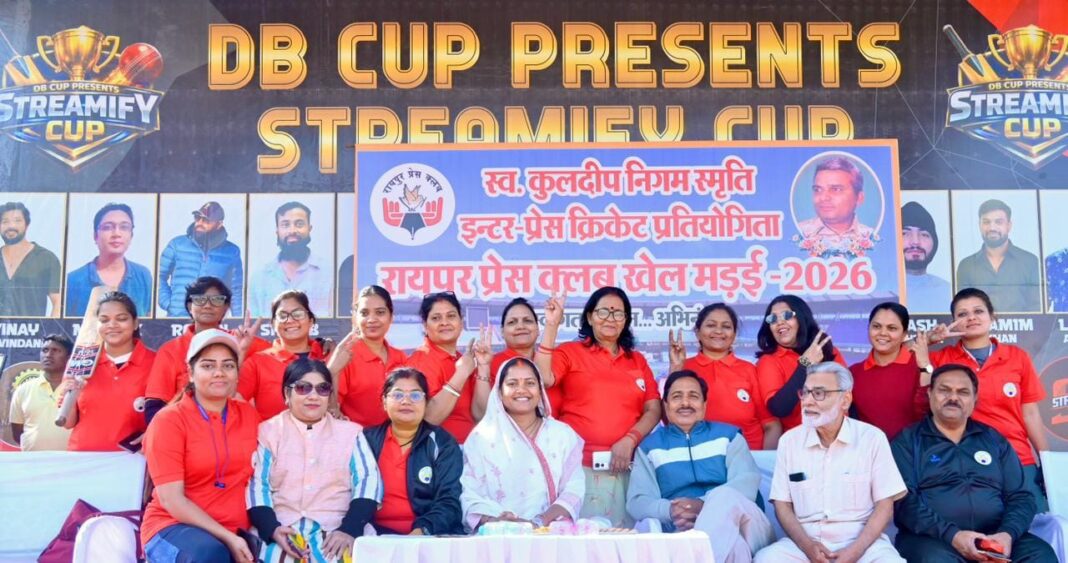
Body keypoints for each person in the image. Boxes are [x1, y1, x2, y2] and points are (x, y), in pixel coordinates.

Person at [891, 364, 1057, 563]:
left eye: (963, 392)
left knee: (1041, 554)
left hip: (994, 536)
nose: (953, 398)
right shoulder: (907, 441)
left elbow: (1021, 497)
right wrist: (953, 536)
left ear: (975, 399)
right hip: (933, 539)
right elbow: (904, 503)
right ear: (930, 393)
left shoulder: (994, 439)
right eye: (944, 390)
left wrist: (1007, 534)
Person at [535, 286, 662, 527]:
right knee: (584, 540)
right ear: (590, 317)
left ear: (626, 320)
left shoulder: (637, 360)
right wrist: (551, 325)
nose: (610, 318)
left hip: (628, 468)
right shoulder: (570, 352)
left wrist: (630, 439)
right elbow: (542, 378)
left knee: (625, 541)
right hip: (580, 470)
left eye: (618, 313)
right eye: (603, 311)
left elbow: (654, 410)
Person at [756, 362, 907, 563]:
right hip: (805, 542)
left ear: (845, 400)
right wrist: (808, 547)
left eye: (819, 394)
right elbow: (782, 505)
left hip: (862, 543)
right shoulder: (789, 441)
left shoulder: (871, 438)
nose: (807, 401)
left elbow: (885, 507)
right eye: (805, 393)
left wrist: (854, 552)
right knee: (766, 559)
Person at [916, 287, 1050, 511]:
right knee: (978, 526)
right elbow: (893, 352)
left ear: (992, 316)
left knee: (1035, 523)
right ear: (953, 323)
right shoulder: (940, 358)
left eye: (978, 311)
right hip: (963, 460)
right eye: (962, 314)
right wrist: (929, 340)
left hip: (1017, 457)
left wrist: (1046, 462)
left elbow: (1030, 413)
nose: (971, 318)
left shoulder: (1017, 357)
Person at [627, 370, 774, 563]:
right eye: (677, 397)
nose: (685, 403)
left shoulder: (729, 437)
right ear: (666, 405)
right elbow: (637, 502)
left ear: (704, 405)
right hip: (684, 530)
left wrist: (703, 506)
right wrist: (671, 510)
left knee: (724, 496)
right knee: (734, 546)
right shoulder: (650, 448)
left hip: (747, 527)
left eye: (693, 396)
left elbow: (746, 484)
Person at [141, 329, 260, 562]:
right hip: (174, 526)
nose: (219, 373)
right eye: (208, 366)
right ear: (191, 373)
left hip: (235, 530)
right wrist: (227, 537)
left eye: (228, 365)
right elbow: (172, 500)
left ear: (237, 374)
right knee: (211, 554)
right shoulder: (169, 421)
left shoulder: (249, 415)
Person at [247, 359, 381, 562]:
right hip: (282, 528)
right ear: (287, 394)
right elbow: (258, 486)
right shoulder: (269, 431)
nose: (313, 396)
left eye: (322, 389)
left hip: (337, 527)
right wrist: (272, 529)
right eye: (303, 388)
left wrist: (349, 529)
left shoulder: (350, 433)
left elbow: (368, 482)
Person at [461, 357, 585, 532]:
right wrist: (498, 521)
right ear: (499, 392)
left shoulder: (562, 434)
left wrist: (539, 522)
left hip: (550, 535)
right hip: (498, 536)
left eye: (530, 383)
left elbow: (574, 490)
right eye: (512, 384)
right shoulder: (481, 438)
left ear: (540, 390)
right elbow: (471, 495)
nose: (521, 390)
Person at [145, 276, 269, 424]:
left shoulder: (242, 341)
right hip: (185, 428)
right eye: (199, 299)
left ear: (226, 308)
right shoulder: (171, 350)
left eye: (216, 300)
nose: (207, 305)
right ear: (189, 306)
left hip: (235, 427)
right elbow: (154, 409)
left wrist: (241, 350)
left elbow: (283, 356)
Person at [364, 368, 464, 535]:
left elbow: (449, 500)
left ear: (426, 403)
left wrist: (421, 532)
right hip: (373, 535)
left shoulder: (442, 443)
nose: (406, 401)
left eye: (415, 395)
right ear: (384, 401)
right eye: (397, 395)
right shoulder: (367, 441)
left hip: (428, 535)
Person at [668, 303, 781, 450]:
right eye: (711, 325)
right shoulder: (683, 367)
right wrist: (676, 370)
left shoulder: (749, 370)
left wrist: (763, 460)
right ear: (697, 332)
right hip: (699, 457)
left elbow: (771, 425)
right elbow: (669, 420)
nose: (718, 331)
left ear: (734, 334)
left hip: (747, 456)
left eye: (726, 326)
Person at [57, 291, 155, 451]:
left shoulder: (156, 362)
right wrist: (70, 393)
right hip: (83, 458)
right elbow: (67, 423)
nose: (112, 325)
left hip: (133, 459)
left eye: (121, 319)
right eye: (104, 320)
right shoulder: (81, 362)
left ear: (135, 323)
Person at [406, 291, 492, 444]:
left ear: (461, 322)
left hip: (472, 448)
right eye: (436, 318)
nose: (444, 322)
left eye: (451, 316)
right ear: (425, 325)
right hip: (438, 451)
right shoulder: (420, 360)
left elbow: (480, 415)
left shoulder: (464, 360)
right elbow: (429, 419)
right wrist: (461, 374)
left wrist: (483, 367)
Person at [755, 295, 846, 431]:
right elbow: (779, 408)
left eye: (787, 315)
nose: (780, 322)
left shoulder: (828, 350)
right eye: (773, 319)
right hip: (802, 439)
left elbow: (847, 395)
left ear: (802, 318)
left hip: (841, 435)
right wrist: (805, 364)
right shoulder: (769, 361)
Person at [239, 290, 327, 420]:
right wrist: (241, 351)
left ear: (311, 321)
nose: (290, 320)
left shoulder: (328, 355)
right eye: (282, 315)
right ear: (273, 324)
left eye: (297, 314)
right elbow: (230, 401)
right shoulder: (258, 362)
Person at [328, 285, 408, 427]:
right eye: (364, 313)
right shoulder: (345, 356)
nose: (371, 319)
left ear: (391, 317)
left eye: (380, 312)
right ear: (355, 318)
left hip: (395, 437)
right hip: (355, 437)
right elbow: (330, 410)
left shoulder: (400, 357)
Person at [849, 302, 928, 440]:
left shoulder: (921, 366)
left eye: (892, 328)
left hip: (914, 450)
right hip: (870, 451)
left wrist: (925, 368)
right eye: (876, 326)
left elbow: (929, 410)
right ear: (868, 328)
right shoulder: (853, 373)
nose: (883, 333)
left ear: (904, 334)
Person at [157, 201, 244, 317]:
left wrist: (237, 319)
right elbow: (159, 277)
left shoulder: (232, 252)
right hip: (178, 317)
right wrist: (170, 304)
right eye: (197, 218)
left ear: (219, 224)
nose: (200, 223)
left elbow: (236, 290)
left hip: (212, 319)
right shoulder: (177, 244)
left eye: (206, 220)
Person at [65, 202, 153, 317]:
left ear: (131, 235)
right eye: (107, 227)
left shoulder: (143, 276)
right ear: (95, 236)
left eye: (124, 227)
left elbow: (149, 320)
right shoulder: (73, 280)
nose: (116, 234)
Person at [955, 199, 1041, 312]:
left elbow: (1036, 307)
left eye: (998, 222)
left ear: (1009, 225)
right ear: (979, 225)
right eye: (986, 222)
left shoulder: (1030, 261)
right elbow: (962, 308)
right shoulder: (966, 266)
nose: (992, 228)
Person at [249, 202, 332, 318]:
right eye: (285, 225)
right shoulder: (259, 277)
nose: (292, 230)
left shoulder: (329, 273)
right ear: (277, 231)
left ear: (309, 228)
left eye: (299, 224)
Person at [485, 297, 563, 412]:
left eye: (527, 321)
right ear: (502, 332)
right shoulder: (490, 364)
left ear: (537, 328)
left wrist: (552, 324)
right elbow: (483, 412)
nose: (520, 326)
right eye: (512, 322)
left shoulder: (555, 360)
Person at [796, 156, 876, 257]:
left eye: (835, 189)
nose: (823, 198)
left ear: (859, 198)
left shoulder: (873, 238)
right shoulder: (798, 233)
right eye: (818, 190)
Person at [8, 334, 73, 450]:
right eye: (45, 350)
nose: (48, 355)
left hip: (73, 459)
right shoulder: (23, 390)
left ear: (69, 357)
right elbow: (17, 432)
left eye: (55, 350)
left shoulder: (76, 388)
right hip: (33, 459)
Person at [0, 201, 61, 316]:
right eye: (5, 221)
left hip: (33, 327)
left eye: (17, 220)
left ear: (26, 225)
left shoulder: (46, 259)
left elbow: (58, 302)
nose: (11, 226)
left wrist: (50, 327)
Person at [902, 202, 952, 312]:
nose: (915, 242)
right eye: (905, 233)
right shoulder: (879, 289)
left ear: (935, 242)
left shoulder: (949, 292)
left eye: (924, 234)